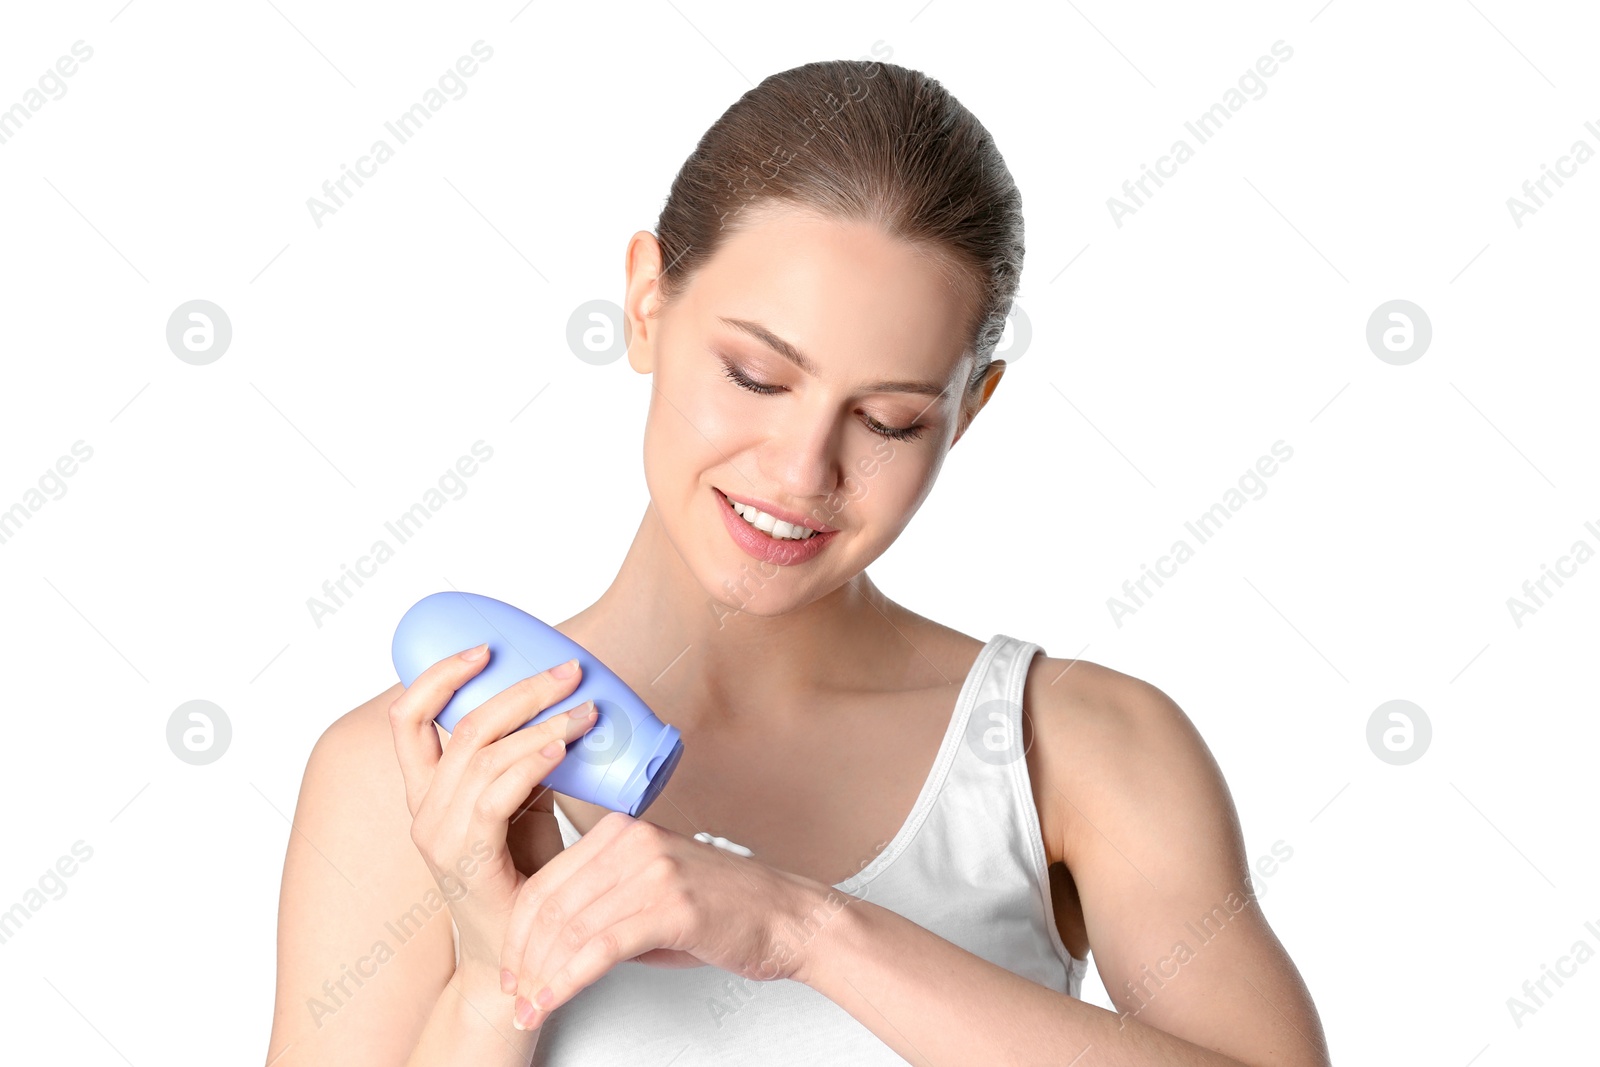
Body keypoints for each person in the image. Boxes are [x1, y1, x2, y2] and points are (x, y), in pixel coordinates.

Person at [265, 58, 1331, 1066]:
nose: (799, 469)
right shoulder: (417, 778)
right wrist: (498, 985)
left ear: (968, 412)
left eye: (889, 418)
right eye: (756, 374)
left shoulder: (1074, 751)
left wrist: (806, 929)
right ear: (646, 301)